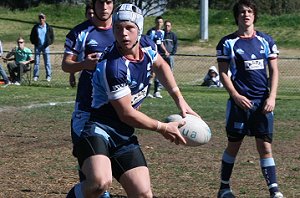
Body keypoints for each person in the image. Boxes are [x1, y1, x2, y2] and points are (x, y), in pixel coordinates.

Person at [66, 3, 199, 198]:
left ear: (139, 30)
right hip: (98, 127)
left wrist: (179, 99)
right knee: (99, 183)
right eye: (118, 28)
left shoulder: (147, 45)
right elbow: (126, 113)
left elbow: (160, 64)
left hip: (123, 132)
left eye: (129, 28)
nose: (124, 34)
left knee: (143, 193)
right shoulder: (114, 66)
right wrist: (162, 127)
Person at [216, 0, 283, 198]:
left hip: (263, 103)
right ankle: (224, 188)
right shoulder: (227, 42)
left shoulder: (266, 41)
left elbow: (274, 71)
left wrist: (272, 96)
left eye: (249, 11)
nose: (246, 15)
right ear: (237, 16)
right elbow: (223, 73)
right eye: (242, 12)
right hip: (240, 105)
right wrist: (236, 96)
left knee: (265, 147)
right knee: (234, 146)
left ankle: (274, 190)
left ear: (254, 15)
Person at [62, 0, 115, 197]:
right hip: (86, 109)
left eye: (108, 2)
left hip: (115, 110)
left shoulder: (122, 31)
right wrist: (84, 63)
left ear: (113, 5)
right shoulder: (81, 32)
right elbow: (66, 65)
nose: (104, 6)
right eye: (100, 2)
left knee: (104, 165)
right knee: (91, 167)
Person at [69, 2, 95, 88]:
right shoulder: (80, 32)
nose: (91, 16)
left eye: (93, 13)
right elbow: (73, 57)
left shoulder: (109, 29)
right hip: (85, 75)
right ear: (86, 15)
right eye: (89, 13)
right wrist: (72, 74)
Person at [146, 16, 169, 98]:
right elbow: (148, 43)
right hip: (152, 55)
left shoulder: (162, 32)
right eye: (158, 22)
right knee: (151, 74)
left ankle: (156, 92)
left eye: (161, 22)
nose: (159, 24)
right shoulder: (151, 32)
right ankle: (147, 92)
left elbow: (161, 43)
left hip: (159, 55)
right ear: (155, 22)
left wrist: (165, 51)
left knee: (158, 73)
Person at [30, 12, 54, 82]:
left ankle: (48, 76)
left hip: (45, 46)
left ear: (45, 18)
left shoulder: (48, 27)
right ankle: (35, 76)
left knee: (47, 62)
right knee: (36, 62)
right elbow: (32, 36)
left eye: (42, 18)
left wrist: (49, 43)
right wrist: (34, 43)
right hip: (37, 46)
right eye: (40, 18)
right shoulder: (35, 27)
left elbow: (52, 37)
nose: (41, 19)